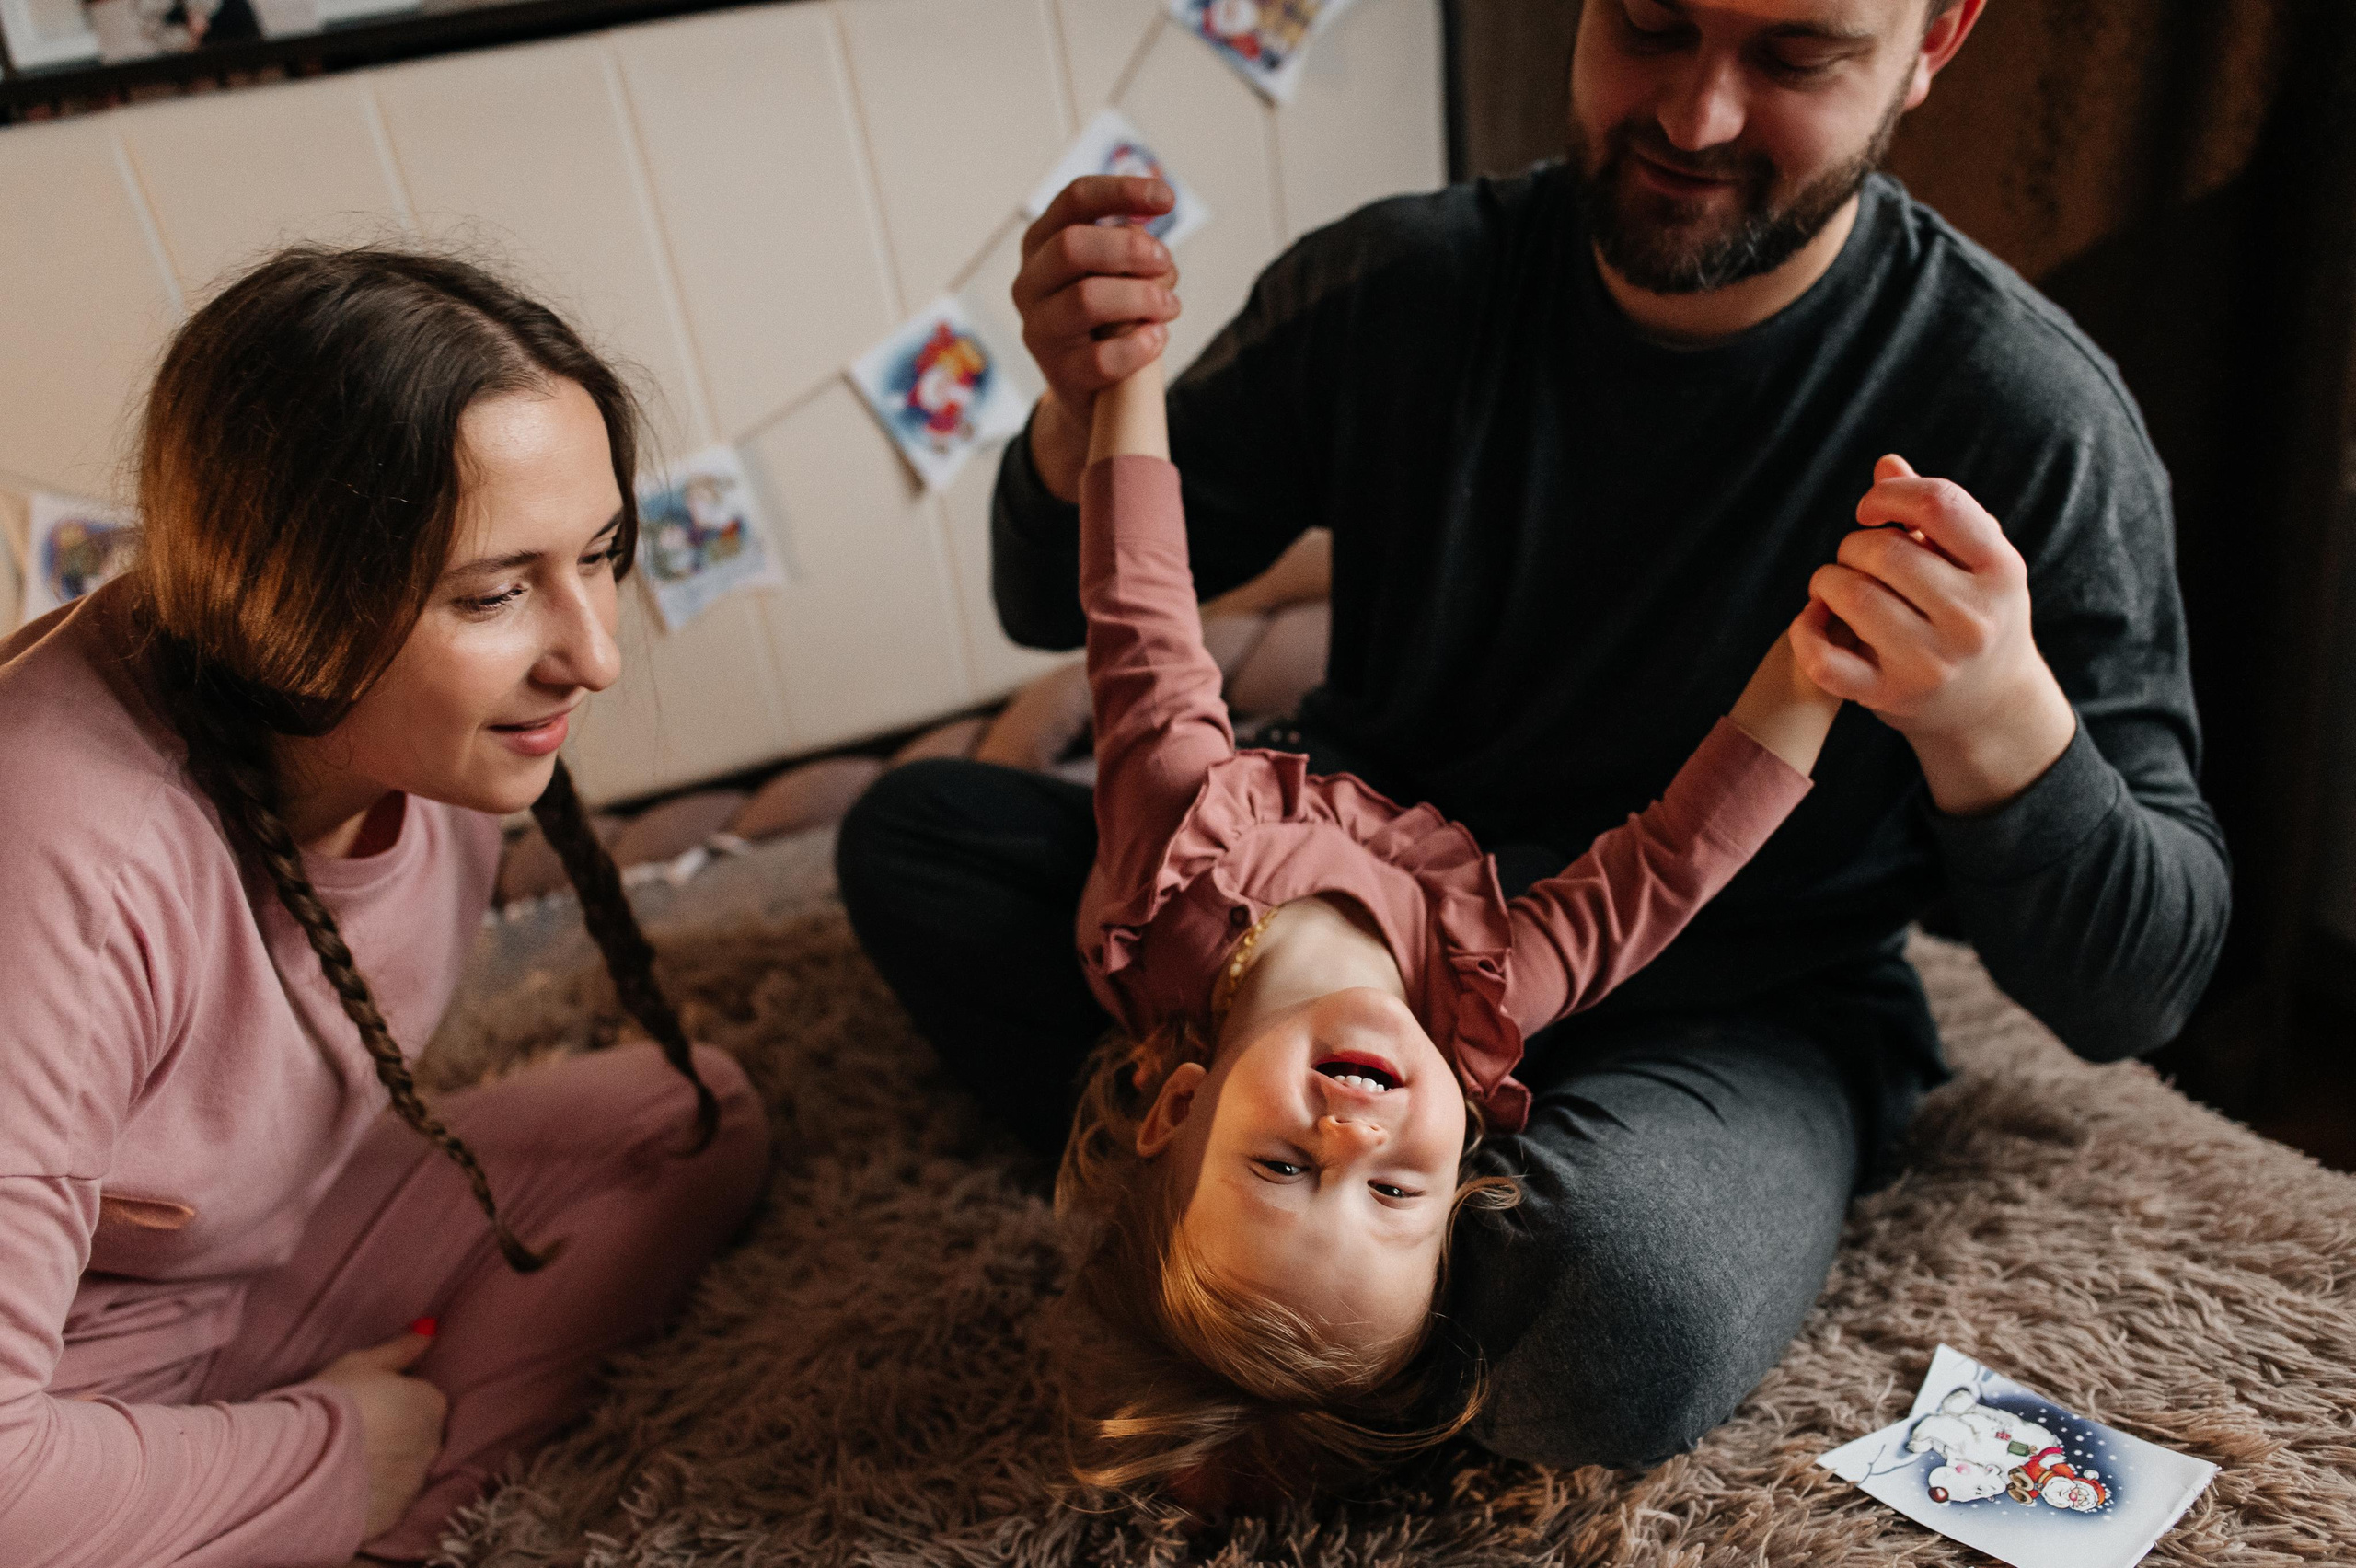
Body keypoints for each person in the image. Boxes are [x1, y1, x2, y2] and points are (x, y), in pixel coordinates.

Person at [839, 0, 2228, 1474]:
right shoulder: (1400, 283)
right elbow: (1074, 599)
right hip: (1316, 906)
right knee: (912, 840)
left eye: (1793, 57)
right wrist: (1081, 403)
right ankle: (1289, 1225)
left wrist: (1997, 714)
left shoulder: (2028, 421)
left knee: (1613, 1308)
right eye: (1650, 23)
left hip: (1728, 1002)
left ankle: (1284, 1233)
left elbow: (2143, 987)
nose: (1694, 117)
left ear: (1934, 39)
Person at [0, 248, 772, 1566]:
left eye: (599, 556)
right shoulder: (60, 850)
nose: (592, 653)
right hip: (52, 1408)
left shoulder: (441, 756)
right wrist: (330, 1452)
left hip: (230, 1283)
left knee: (680, 1126)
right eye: (496, 592)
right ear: (285, 599)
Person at [1051, 350, 1841, 1499]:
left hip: (1259, 784)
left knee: (918, 837)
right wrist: (1815, 672)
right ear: (1467, 1159)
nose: (1353, 1139)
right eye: (1391, 1196)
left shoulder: (1175, 853)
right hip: (1435, 843)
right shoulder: (1483, 1001)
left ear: (1178, 1108)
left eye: (1281, 1164)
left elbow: (1138, 614)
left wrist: (1122, 376)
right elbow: (1669, 865)